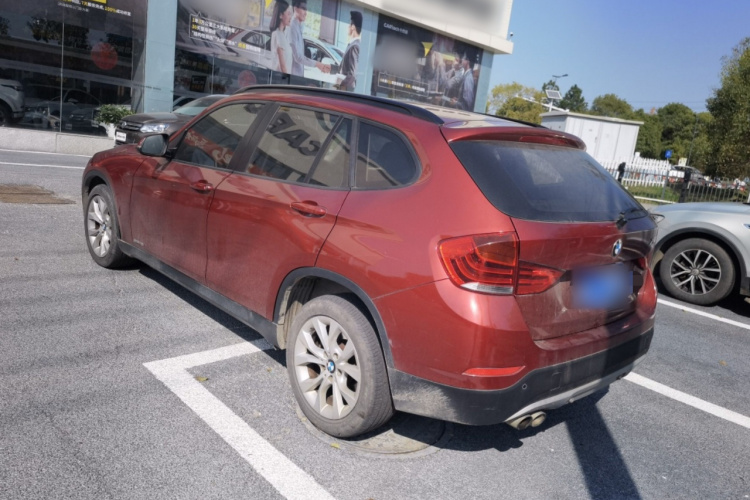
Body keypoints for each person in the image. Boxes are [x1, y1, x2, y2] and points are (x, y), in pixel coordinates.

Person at [289, 0, 330, 77]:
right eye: (303, 9)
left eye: (306, 10)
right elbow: (298, 57)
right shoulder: (292, 27)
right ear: (295, 9)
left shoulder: (298, 27)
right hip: (292, 75)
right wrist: (318, 64)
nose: (306, 13)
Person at [337, 11, 362, 92]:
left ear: (353, 27)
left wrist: (339, 86)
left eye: (349, 25)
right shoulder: (353, 44)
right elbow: (345, 68)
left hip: (346, 90)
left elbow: (352, 74)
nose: (348, 27)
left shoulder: (354, 46)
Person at [270, 0, 293, 74]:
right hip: (282, 78)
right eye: (288, 14)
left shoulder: (281, 34)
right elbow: (282, 66)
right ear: (280, 15)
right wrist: (287, 78)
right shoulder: (278, 35)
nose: (290, 17)